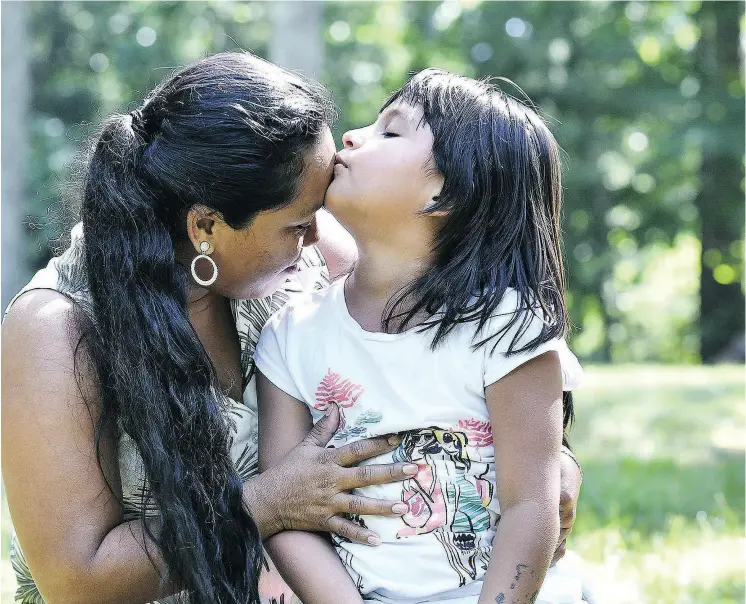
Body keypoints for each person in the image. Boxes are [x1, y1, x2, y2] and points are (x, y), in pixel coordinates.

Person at [1, 53, 581, 604]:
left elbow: (463, 390)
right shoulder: (58, 330)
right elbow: (77, 581)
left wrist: (549, 476)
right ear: (206, 226)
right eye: (300, 223)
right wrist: (265, 504)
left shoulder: (317, 259)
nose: (317, 238)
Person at [255, 69, 586, 604]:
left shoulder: (507, 328)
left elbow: (533, 503)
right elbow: (289, 513)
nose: (351, 136)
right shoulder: (290, 336)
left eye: (391, 131)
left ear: (446, 189)